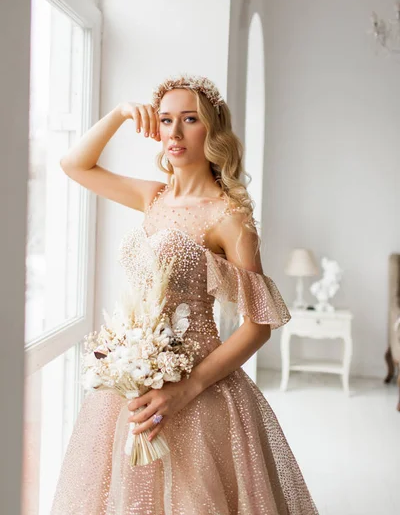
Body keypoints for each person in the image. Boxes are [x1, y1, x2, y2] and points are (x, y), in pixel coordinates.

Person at [51, 74, 319, 515]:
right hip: (134, 380)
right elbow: (74, 165)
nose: (173, 133)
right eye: (166, 120)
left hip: (198, 388)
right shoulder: (153, 197)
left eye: (189, 119)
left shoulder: (229, 218)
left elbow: (259, 326)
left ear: (211, 130)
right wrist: (120, 114)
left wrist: (187, 388)